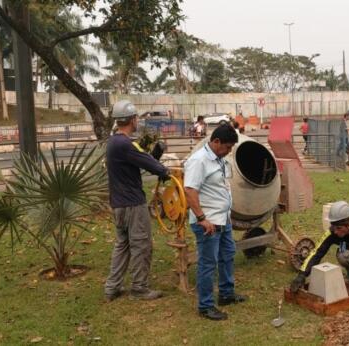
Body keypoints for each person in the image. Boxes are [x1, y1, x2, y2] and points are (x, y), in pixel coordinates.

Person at [104, 100, 171, 302]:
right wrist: (164, 170)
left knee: (122, 245)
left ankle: (112, 288)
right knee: (141, 245)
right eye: (136, 119)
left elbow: (141, 159)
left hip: (118, 203)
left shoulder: (113, 142)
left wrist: (154, 157)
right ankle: (139, 288)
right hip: (132, 204)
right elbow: (149, 163)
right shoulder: (125, 144)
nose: (137, 122)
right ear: (132, 119)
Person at [183, 124, 247, 321]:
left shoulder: (218, 158)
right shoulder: (199, 161)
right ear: (216, 141)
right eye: (227, 147)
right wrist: (202, 219)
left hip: (222, 219)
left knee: (227, 255)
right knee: (208, 264)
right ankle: (205, 306)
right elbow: (190, 190)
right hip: (208, 223)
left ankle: (226, 294)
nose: (228, 151)